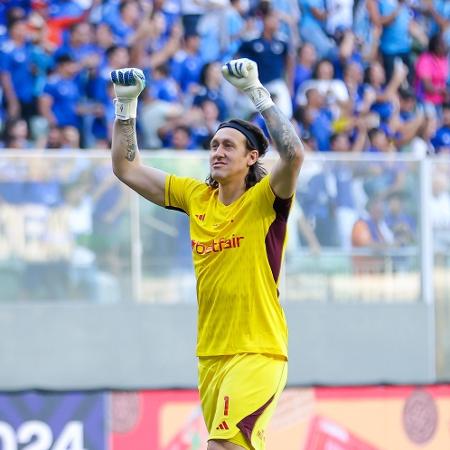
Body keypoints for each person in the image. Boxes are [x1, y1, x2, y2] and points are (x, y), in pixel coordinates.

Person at [110, 58, 304, 450]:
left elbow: (294, 154)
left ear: (251, 158)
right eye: (214, 144)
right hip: (210, 356)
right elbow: (126, 169)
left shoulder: (265, 201)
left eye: (228, 145)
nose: (217, 151)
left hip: (257, 352)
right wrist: (125, 107)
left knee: (221, 446)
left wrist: (256, 93)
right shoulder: (195, 196)